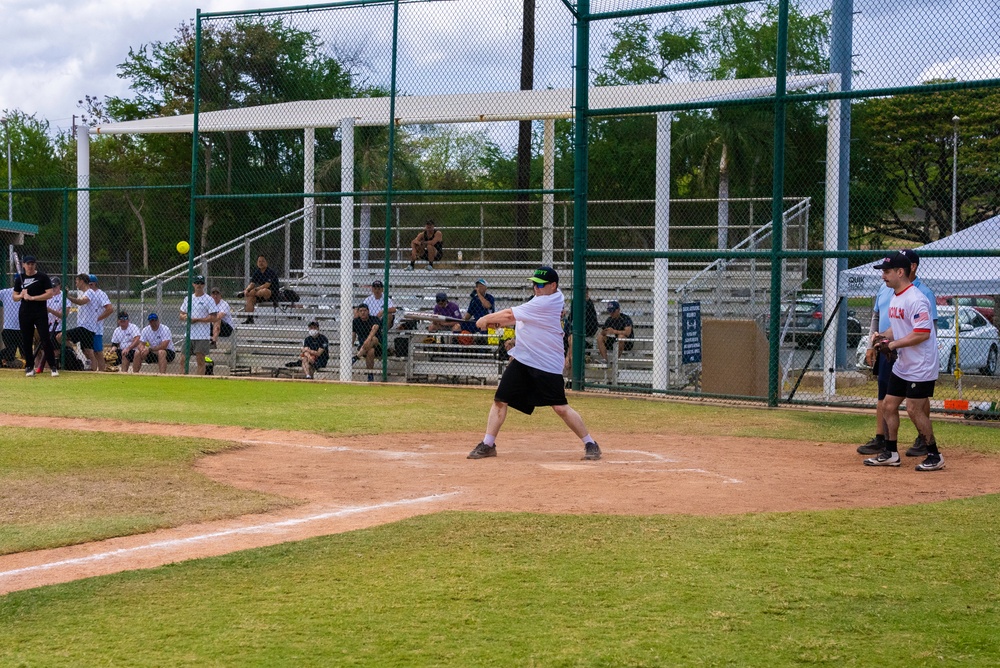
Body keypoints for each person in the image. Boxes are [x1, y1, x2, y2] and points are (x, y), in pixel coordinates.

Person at [467, 266, 601, 461]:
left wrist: (485, 319)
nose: (536, 288)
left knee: (560, 407)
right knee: (500, 400)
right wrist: (498, 323)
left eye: (540, 285)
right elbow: (521, 320)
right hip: (524, 359)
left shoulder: (548, 301)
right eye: (534, 284)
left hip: (546, 363)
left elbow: (509, 316)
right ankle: (488, 444)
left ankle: (590, 443)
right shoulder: (542, 299)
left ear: (553, 285)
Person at [863, 252, 944, 471]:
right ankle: (891, 453)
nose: (883, 276)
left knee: (913, 409)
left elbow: (922, 333)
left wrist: (892, 345)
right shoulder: (896, 296)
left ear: (900, 272)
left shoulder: (917, 299)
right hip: (904, 363)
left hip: (921, 365)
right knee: (888, 405)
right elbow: (897, 327)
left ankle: (934, 455)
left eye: (887, 271)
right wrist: (882, 336)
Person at [12, 255, 58, 377]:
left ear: (35, 265)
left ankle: (53, 367)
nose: (30, 266)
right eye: (28, 264)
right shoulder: (20, 279)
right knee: (26, 340)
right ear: (23, 265)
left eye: (32, 264)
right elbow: (14, 297)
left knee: (45, 338)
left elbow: (49, 294)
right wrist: (21, 295)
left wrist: (32, 298)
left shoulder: (42, 277)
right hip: (25, 313)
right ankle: (29, 367)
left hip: (40, 312)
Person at [63, 273, 112, 371]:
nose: (90, 285)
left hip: (94, 328)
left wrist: (97, 319)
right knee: (87, 351)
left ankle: (101, 372)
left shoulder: (98, 293)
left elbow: (110, 309)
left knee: (97, 352)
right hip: (87, 326)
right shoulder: (87, 293)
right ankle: (93, 369)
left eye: (92, 284)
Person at [179, 275, 219, 375]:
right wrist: (186, 317)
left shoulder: (208, 299)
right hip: (189, 334)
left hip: (202, 335)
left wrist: (198, 320)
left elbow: (214, 317)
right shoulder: (188, 298)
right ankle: (182, 378)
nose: (199, 285)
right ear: (193, 284)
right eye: (197, 283)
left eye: (201, 283)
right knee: (183, 359)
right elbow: (181, 314)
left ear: (204, 285)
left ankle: (199, 379)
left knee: (200, 360)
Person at [563, 287, 599, 370]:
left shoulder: (589, 303)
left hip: (588, 329)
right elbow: (571, 316)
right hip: (576, 330)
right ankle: (569, 358)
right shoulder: (575, 301)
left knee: (571, 339)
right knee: (570, 339)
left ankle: (569, 358)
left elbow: (592, 323)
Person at [242, 255, 279, 324]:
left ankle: (250, 293)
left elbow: (267, 285)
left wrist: (255, 290)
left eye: (263, 261)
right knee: (249, 298)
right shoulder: (257, 272)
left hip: (271, 294)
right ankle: (249, 318)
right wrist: (247, 290)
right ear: (257, 263)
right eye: (259, 261)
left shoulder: (270, 272)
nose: (261, 263)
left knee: (264, 290)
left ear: (266, 262)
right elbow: (252, 283)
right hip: (259, 295)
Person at [352, 303, 381, 382]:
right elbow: (353, 334)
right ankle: (370, 374)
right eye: (361, 311)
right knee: (371, 351)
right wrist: (351, 344)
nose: (363, 312)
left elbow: (375, 328)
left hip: (377, 345)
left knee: (373, 339)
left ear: (368, 311)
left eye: (364, 310)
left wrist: (368, 340)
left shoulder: (374, 319)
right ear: (358, 312)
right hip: (363, 347)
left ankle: (356, 357)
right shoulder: (355, 321)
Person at [0, 285, 21, 368]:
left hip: (23, 327)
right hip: (9, 327)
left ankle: (28, 365)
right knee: (10, 351)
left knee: (25, 351)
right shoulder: (6, 292)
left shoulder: (28, 292)